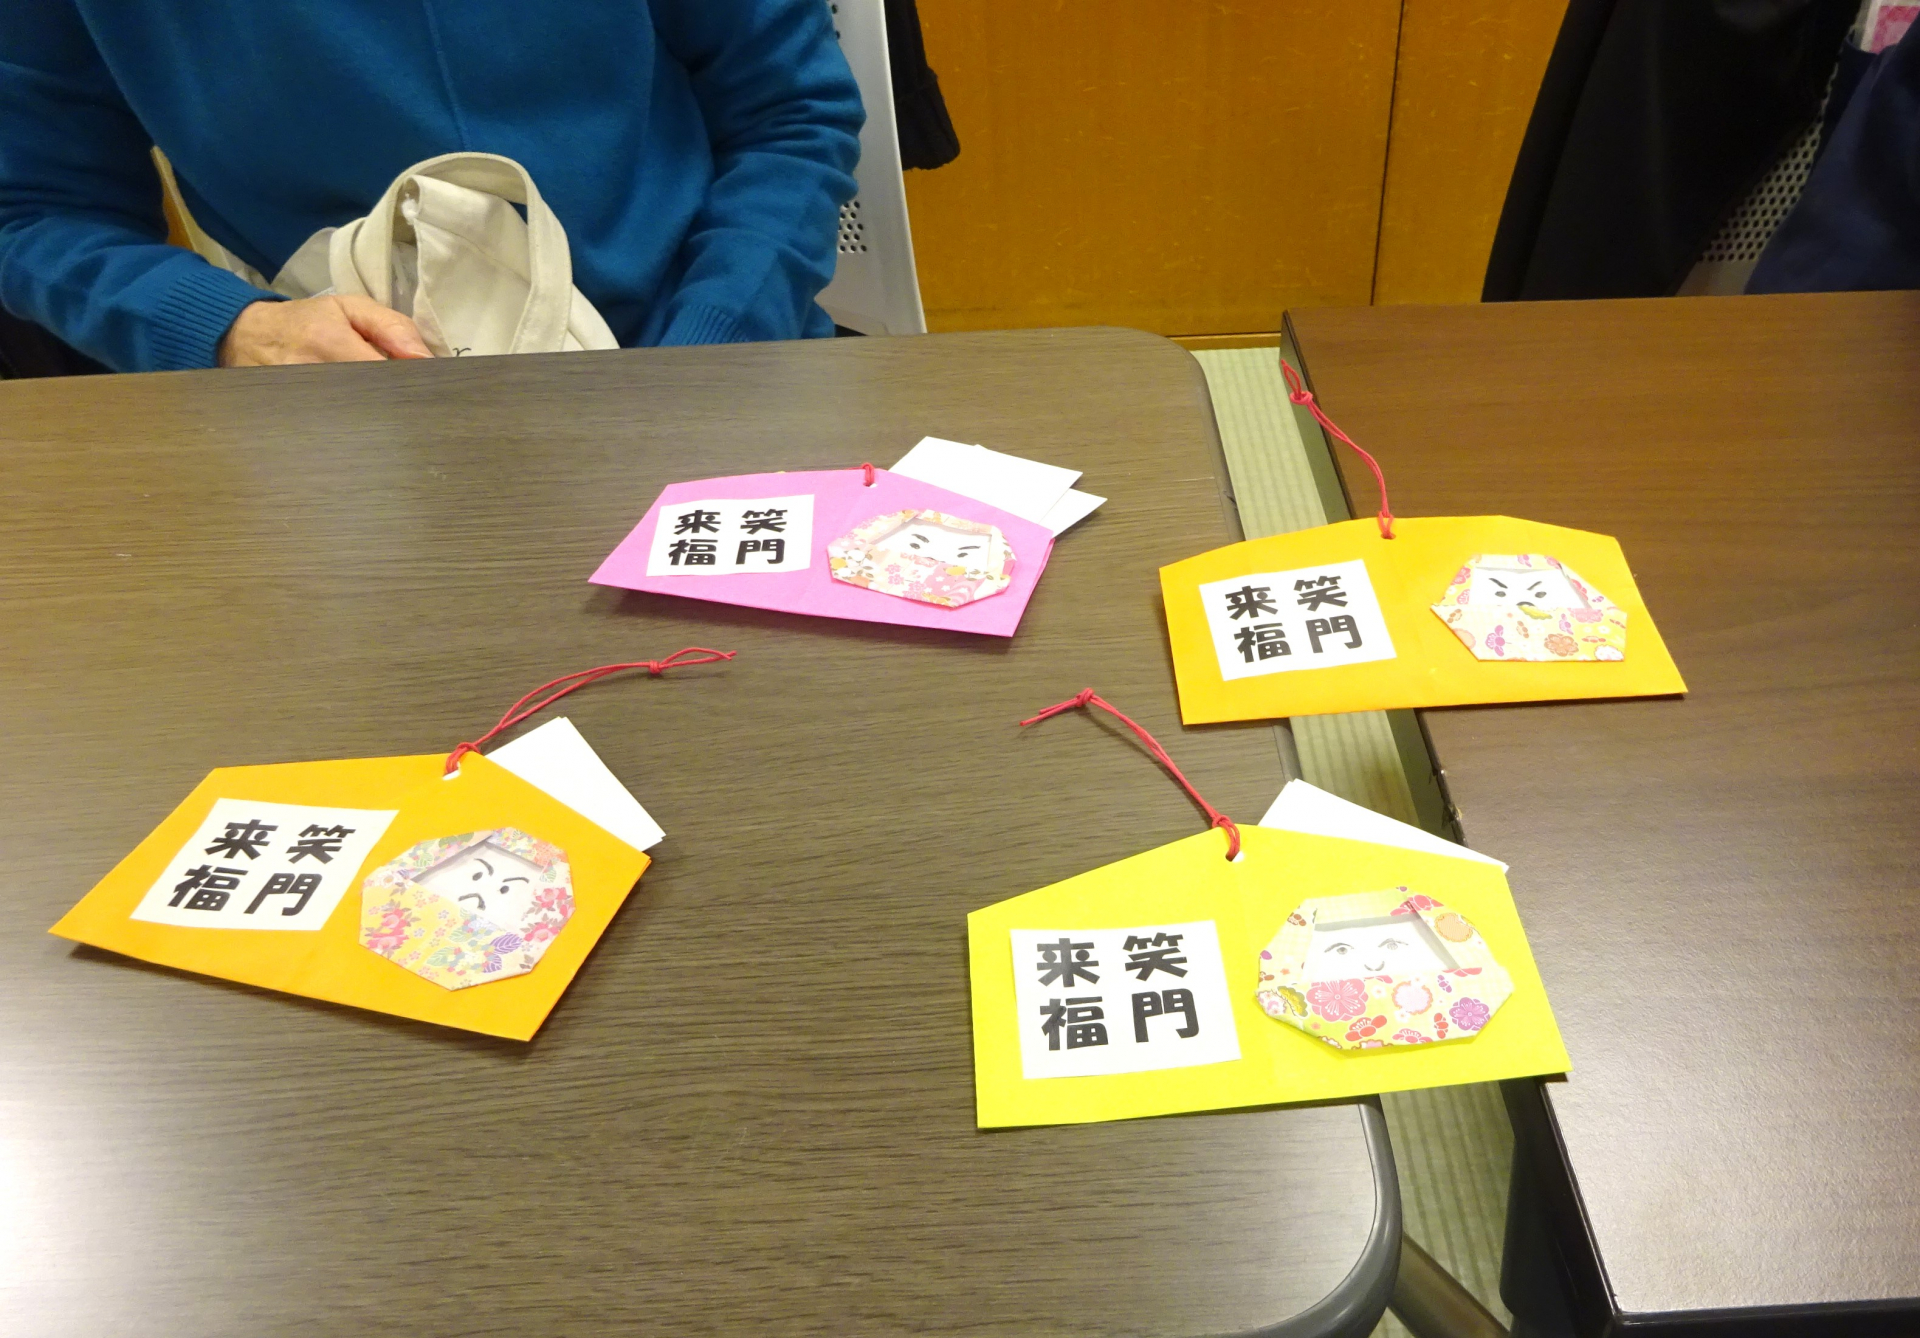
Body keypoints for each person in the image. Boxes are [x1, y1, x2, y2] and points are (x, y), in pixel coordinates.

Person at [0, 1, 863, 373]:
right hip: (344, 421)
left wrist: (712, 344)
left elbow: (791, 111)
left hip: (703, 354)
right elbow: (34, 208)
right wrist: (230, 328)